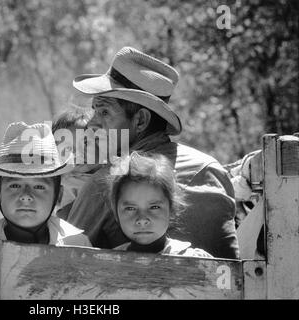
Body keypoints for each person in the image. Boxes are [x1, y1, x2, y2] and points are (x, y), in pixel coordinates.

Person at [65, 46, 239, 258]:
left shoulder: (106, 182)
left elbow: (66, 262)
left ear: (141, 120)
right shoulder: (211, 169)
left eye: (104, 112)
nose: (92, 123)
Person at [0, 121, 92, 248]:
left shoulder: (76, 244)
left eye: (39, 187)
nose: (26, 196)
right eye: (15, 186)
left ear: (58, 195)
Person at [109, 151, 212, 258]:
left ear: (171, 209)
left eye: (154, 207)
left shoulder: (196, 260)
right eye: (130, 208)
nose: (142, 220)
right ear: (116, 213)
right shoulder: (106, 262)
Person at [51, 105, 103, 219]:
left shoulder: (113, 173)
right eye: (68, 148)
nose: (77, 153)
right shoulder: (67, 182)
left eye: (85, 143)